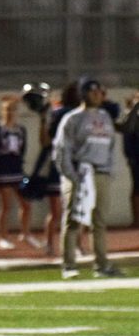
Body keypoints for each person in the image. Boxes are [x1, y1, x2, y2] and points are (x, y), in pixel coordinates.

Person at [53, 77, 122, 279]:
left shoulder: (105, 117)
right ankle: (69, 265)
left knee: (99, 221)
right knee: (73, 220)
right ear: (84, 94)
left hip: (100, 173)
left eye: (100, 92)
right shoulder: (72, 118)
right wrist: (71, 175)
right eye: (94, 92)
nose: (99, 95)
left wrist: (109, 171)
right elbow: (61, 150)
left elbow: (110, 147)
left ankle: (102, 265)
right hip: (80, 172)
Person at [0, 95, 41, 251]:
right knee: (6, 206)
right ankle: (3, 237)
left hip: (17, 172)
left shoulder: (21, 130)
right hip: (2, 173)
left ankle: (25, 234)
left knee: (26, 204)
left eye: (12, 110)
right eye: (6, 110)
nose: (10, 113)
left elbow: (22, 150)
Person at [114, 89, 139, 228]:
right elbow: (126, 132)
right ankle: (137, 220)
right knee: (137, 188)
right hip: (136, 157)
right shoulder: (131, 115)